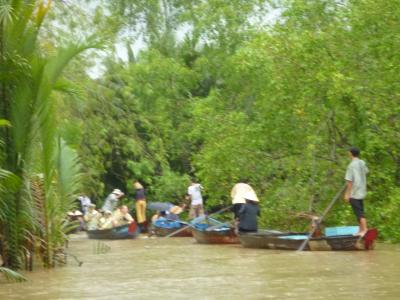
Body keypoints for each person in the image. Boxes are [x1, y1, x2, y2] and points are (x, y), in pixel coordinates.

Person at [344, 147, 369, 237]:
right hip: (362, 191)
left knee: (359, 212)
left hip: (354, 192)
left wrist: (347, 194)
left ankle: (365, 229)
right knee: (360, 210)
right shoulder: (362, 162)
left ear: (350, 153)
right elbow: (366, 172)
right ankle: (360, 230)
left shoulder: (351, 165)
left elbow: (349, 181)